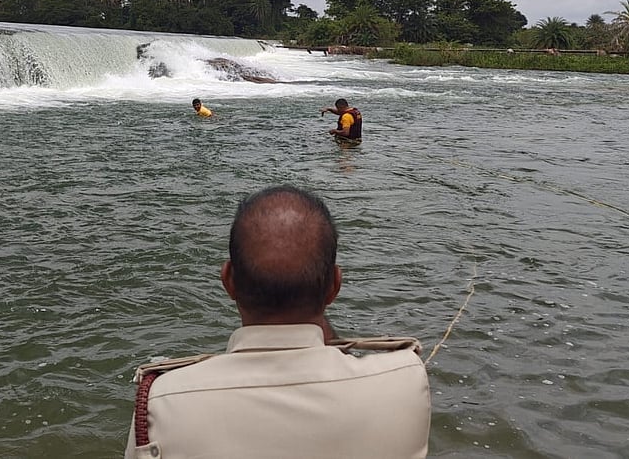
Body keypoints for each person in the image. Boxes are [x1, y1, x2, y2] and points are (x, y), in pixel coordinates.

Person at [125, 186, 430, 458]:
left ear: (228, 281)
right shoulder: (404, 380)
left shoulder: (160, 403)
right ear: (334, 287)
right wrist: (311, 297)